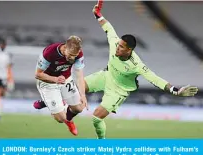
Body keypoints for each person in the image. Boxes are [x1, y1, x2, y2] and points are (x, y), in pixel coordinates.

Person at [33, 1, 198, 139]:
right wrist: (97, 13)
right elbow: (107, 27)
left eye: (121, 47)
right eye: (118, 45)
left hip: (119, 89)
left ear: (129, 50)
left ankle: (102, 143)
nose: (117, 48)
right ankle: (49, 102)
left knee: (96, 118)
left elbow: (155, 79)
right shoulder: (115, 43)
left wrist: (176, 91)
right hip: (106, 76)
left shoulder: (137, 65)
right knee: (77, 88)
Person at [34, 35, 87, 136]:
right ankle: (50, 104)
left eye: (74, 56)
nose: (72, 58)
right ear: (65, 47)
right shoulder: (50, 53)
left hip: (65, 79)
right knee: (60, 119)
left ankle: (50, 103)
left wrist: (83, 95)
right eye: (70, 54)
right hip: (48, 83)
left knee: (79, 108)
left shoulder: (78, 54)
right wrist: (55, 79)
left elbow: (79, 75)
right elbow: (38, 74)